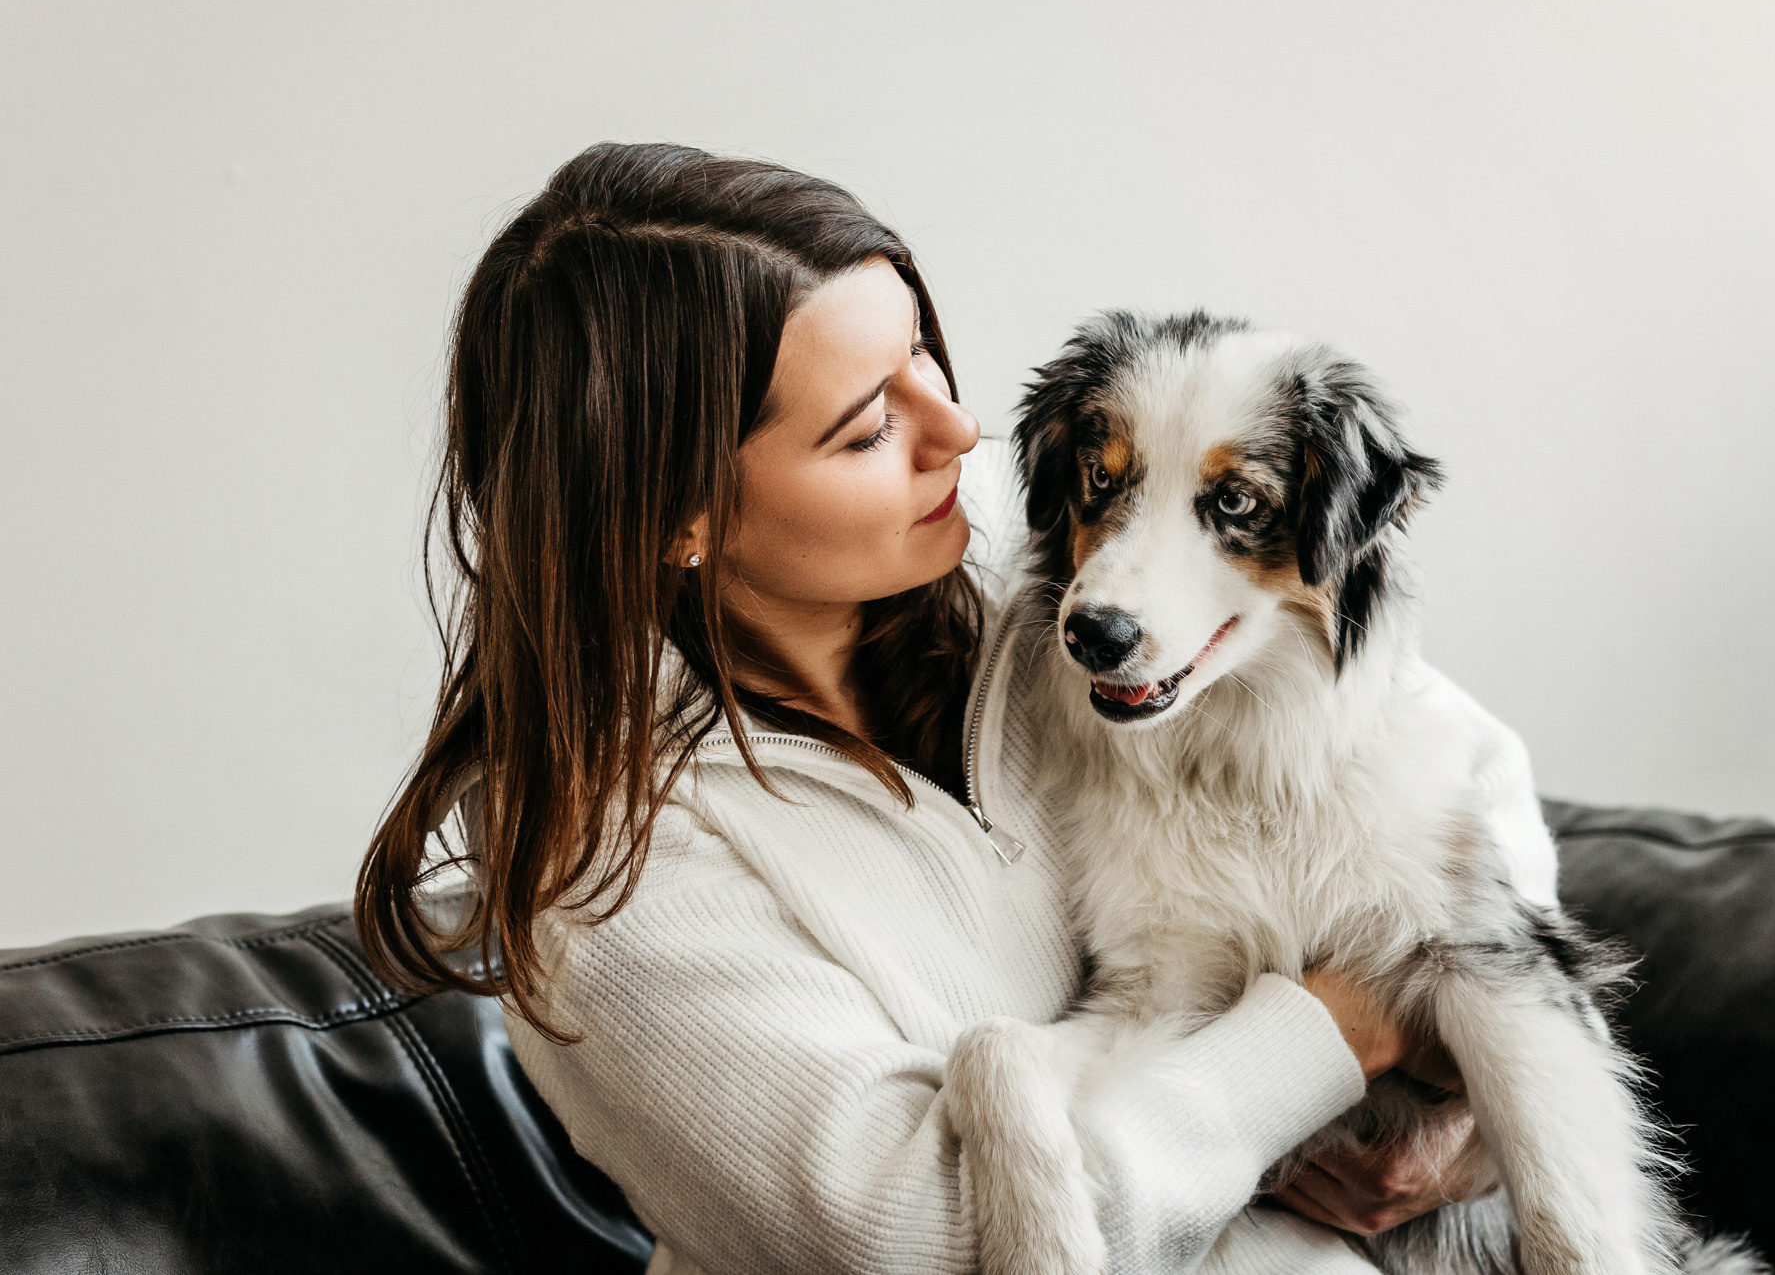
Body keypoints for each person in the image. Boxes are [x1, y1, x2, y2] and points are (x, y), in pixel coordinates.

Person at [357, 142, 1535, 1273]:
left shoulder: (1041, 594)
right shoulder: (601, 868)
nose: (957, 431)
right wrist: (1334, 1033)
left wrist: (1475, 1122)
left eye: (925, 356)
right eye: (869, 425)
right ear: (676, 520)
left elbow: (1462, 777)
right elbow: (926, 1240)